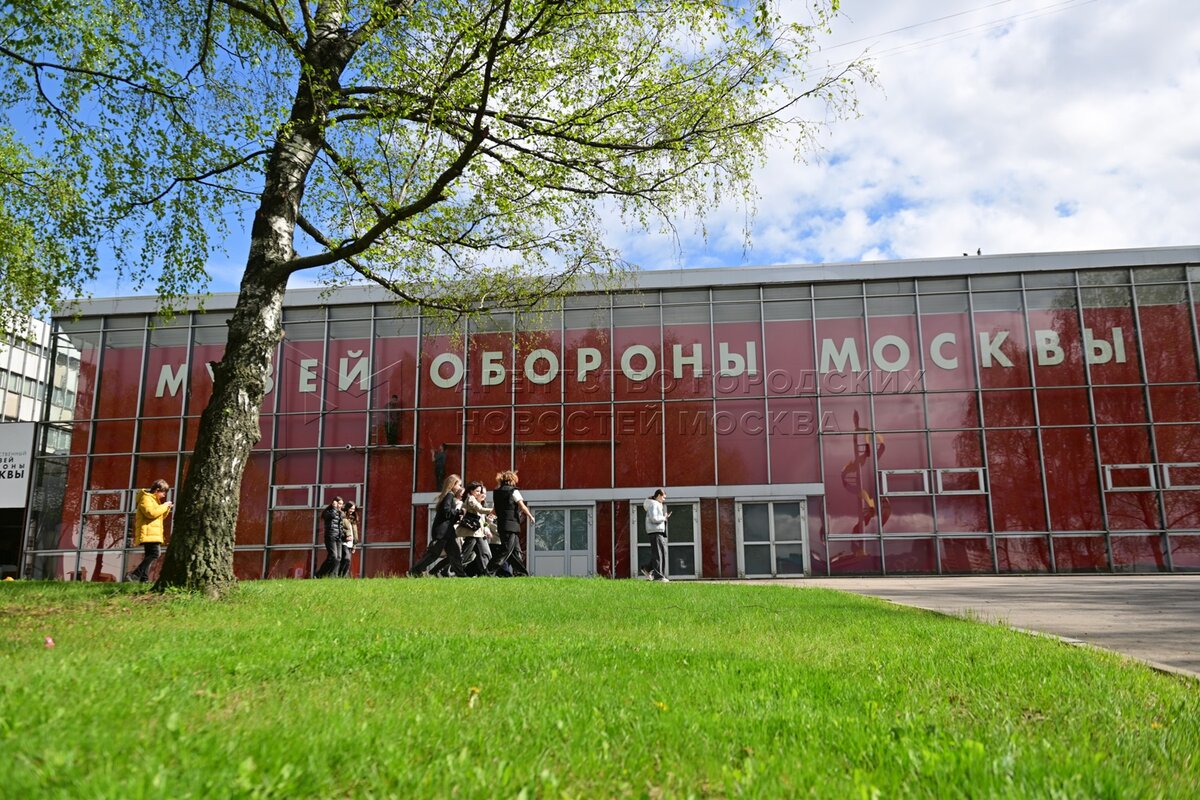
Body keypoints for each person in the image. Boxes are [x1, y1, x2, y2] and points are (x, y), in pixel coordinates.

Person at [408, 474, 466, 577]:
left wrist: (458, 516)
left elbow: (447, 515)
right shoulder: (449, 495)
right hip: (443, 532)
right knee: (434, 554)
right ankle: (414, 571)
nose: (460, 487)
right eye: (459, 485)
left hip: (448, 532)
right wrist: (459, 511)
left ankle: (461, 576)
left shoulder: (449, 496)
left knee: (455, 554)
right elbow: (446, 511)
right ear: (453, 485)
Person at [125, 479, 172, 583]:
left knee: (149, 555)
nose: (164, 495)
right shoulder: (146, 498)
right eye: (163, 492)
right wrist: (164, 506)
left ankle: (144, 579)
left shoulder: (154, 500)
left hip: (152, 532)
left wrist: (166, 508)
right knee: (155, 553)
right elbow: (151, 513)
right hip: (148, 532)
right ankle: (134, 574)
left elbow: (159, 516)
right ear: (157, 490)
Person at [488, 470, 534, 576]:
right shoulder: (513, 491)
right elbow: (522, 506)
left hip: (502, 524)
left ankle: (521, 573)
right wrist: (530, 516)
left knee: (515, 550)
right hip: (512, 524)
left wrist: (489, 517)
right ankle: (489, 570)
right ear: (512, 480)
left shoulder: (497, 492)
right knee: (506, 549)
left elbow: (495, 509)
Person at [456, 481, 495, 576]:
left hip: (478, 533)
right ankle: (449, 570)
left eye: (481, 492)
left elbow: (483, 522)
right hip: (473, 533)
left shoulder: (477, 502)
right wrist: (494, 510)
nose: (480, 494)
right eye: (477, 491)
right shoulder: (471, 499)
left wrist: (487, 525)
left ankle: (486, 574)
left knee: (485, 553)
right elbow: (480, 510)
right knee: (466, 555)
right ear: (471, 491)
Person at [642, 489, 671, 582]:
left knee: (661, 553)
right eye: (663, 497)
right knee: (658, 554)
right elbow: (653, 518)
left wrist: (664, 518)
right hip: (655, 532)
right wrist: (664, 517)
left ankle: (647, 568)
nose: (664, 499)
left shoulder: (656, 504)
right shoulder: (654, 504)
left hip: (657, 531)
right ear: (658, 495)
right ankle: (658, 576)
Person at [316, 496, 344, 578]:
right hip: (330, 536)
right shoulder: (328, 512)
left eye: (342, 504)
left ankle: (331, 575)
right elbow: (331, 516)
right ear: (334, 503)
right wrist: (334, 507)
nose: (341, 506)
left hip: (338, 537)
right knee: (333, 556)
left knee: (338, 558)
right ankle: (320, 574)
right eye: (339, 504)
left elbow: (342, 517)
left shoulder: (340, 513)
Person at [338, 501, 358, 577]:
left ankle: (344, 576)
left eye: (353, 509)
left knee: (348, 561)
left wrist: (354, 545)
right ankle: (340, 574)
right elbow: (340, 528)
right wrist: (346, 535)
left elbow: (354, 533)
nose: (352, 510)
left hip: (351, 543)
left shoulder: (353, 519)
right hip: (344, 542)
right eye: (351, 508)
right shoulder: (342, 517)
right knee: (346, 558)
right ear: (347, 508)